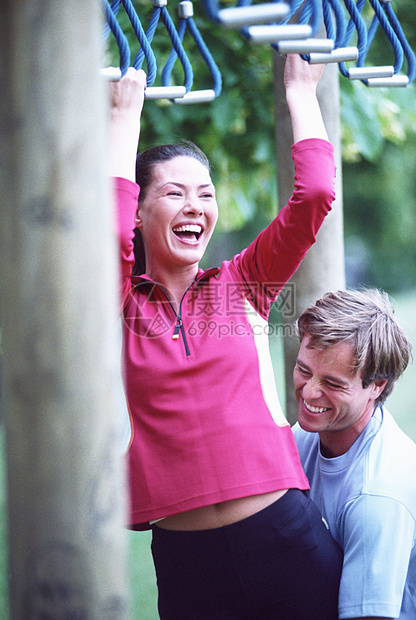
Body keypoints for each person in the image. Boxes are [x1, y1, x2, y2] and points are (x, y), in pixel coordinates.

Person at [109, 54, 343, 620]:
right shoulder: (115, 304)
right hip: (188, 564)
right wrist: (124, 118)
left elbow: (313, 196)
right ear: (140, 213)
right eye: (173, 194)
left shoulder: (243, 283)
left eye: (206, 193)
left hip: (285, 537)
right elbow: (106, 230)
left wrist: (300, 93)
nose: (195, 206)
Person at [292, 289, 416, 620]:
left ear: (377, 385)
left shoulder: (376, 496)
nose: (309, 392)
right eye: (304, 370)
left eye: (332, 383)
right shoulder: (308, 431)